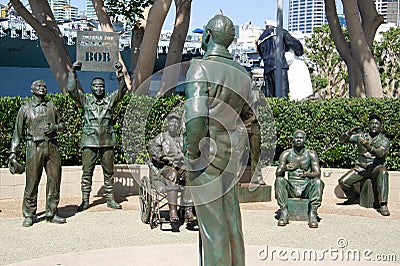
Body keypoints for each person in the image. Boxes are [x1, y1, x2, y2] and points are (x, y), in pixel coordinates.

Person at [184, 14, 254, 265]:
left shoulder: (200, 68)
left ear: (207, 37)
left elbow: (195, 119)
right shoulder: (243, 74)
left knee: (212, 228)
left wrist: (192, 155)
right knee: (232, 222)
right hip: (232, 157)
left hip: (206, 159)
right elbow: (251, 120)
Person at [67, 61, 128, 211]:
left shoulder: (109, 101)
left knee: (109, 173)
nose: (99, 88)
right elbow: (71, 90)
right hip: (89, 141)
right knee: (87, 173)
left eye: (101, 86)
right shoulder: (86, 101)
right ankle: (85, 200)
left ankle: (110, 199)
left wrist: (120, 74)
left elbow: (122, 91)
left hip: (107, 141)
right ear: (91, 88)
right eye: (96, 86)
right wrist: (72, 72)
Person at [9, 80, 66, 227]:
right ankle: (29, 214)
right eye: (38, 86)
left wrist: (55, 127)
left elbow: (63, 126)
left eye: (44, 87)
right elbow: (17, 133)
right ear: (32, 90)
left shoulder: (51, 106)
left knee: (55, 180)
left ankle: (51, 212)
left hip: (52, 146)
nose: (42, 88)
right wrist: (12, 152)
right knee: (32, 181)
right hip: (34, 147)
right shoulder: (25, 109)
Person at [338, 114, 390, 216]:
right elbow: (342, 140)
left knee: (383, 171)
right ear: (369, 125)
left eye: (377, 124)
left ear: (380, 126)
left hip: (375, 168)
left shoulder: (384, 140)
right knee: (343, 182)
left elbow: (380, 153)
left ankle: (383, 204)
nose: (374, 126)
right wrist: (348, 133)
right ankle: (353, 197)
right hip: (361, 168)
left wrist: (368, 147)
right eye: (372, 123)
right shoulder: (360, 137)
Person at [148, 113, 196, 223]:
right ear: (167, 123)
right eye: (171, 122)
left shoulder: (181, 139)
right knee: (172, 174)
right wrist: (163, 157)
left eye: (176, 122)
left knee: (189, 174)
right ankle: (173, 211)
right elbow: (153, 149)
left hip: (180, 166)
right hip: (165, 167)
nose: (173, 124)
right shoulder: (161, 137)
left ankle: (188, 211)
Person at [275, 130, 324, 228]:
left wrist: (307, 174)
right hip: (292, 187)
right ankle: (284, 212)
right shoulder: (286, 154)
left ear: (305, 140)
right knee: (279, 180)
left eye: (301, 138)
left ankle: (313, 212)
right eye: (296, 138)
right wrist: (286, 167)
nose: (298, 140)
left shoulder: (311, 154)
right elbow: (278, 173)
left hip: (306, 187)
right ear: (293, 139)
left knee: (318, 182)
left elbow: (317, 173)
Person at [256, 21, 304, 97]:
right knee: (282, 95)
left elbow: (261, 54)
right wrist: (300, 52)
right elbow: (293, 43)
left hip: (267, 70)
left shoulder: (260, 39)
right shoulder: (279, 31)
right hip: (280, 66)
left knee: (270, 96)